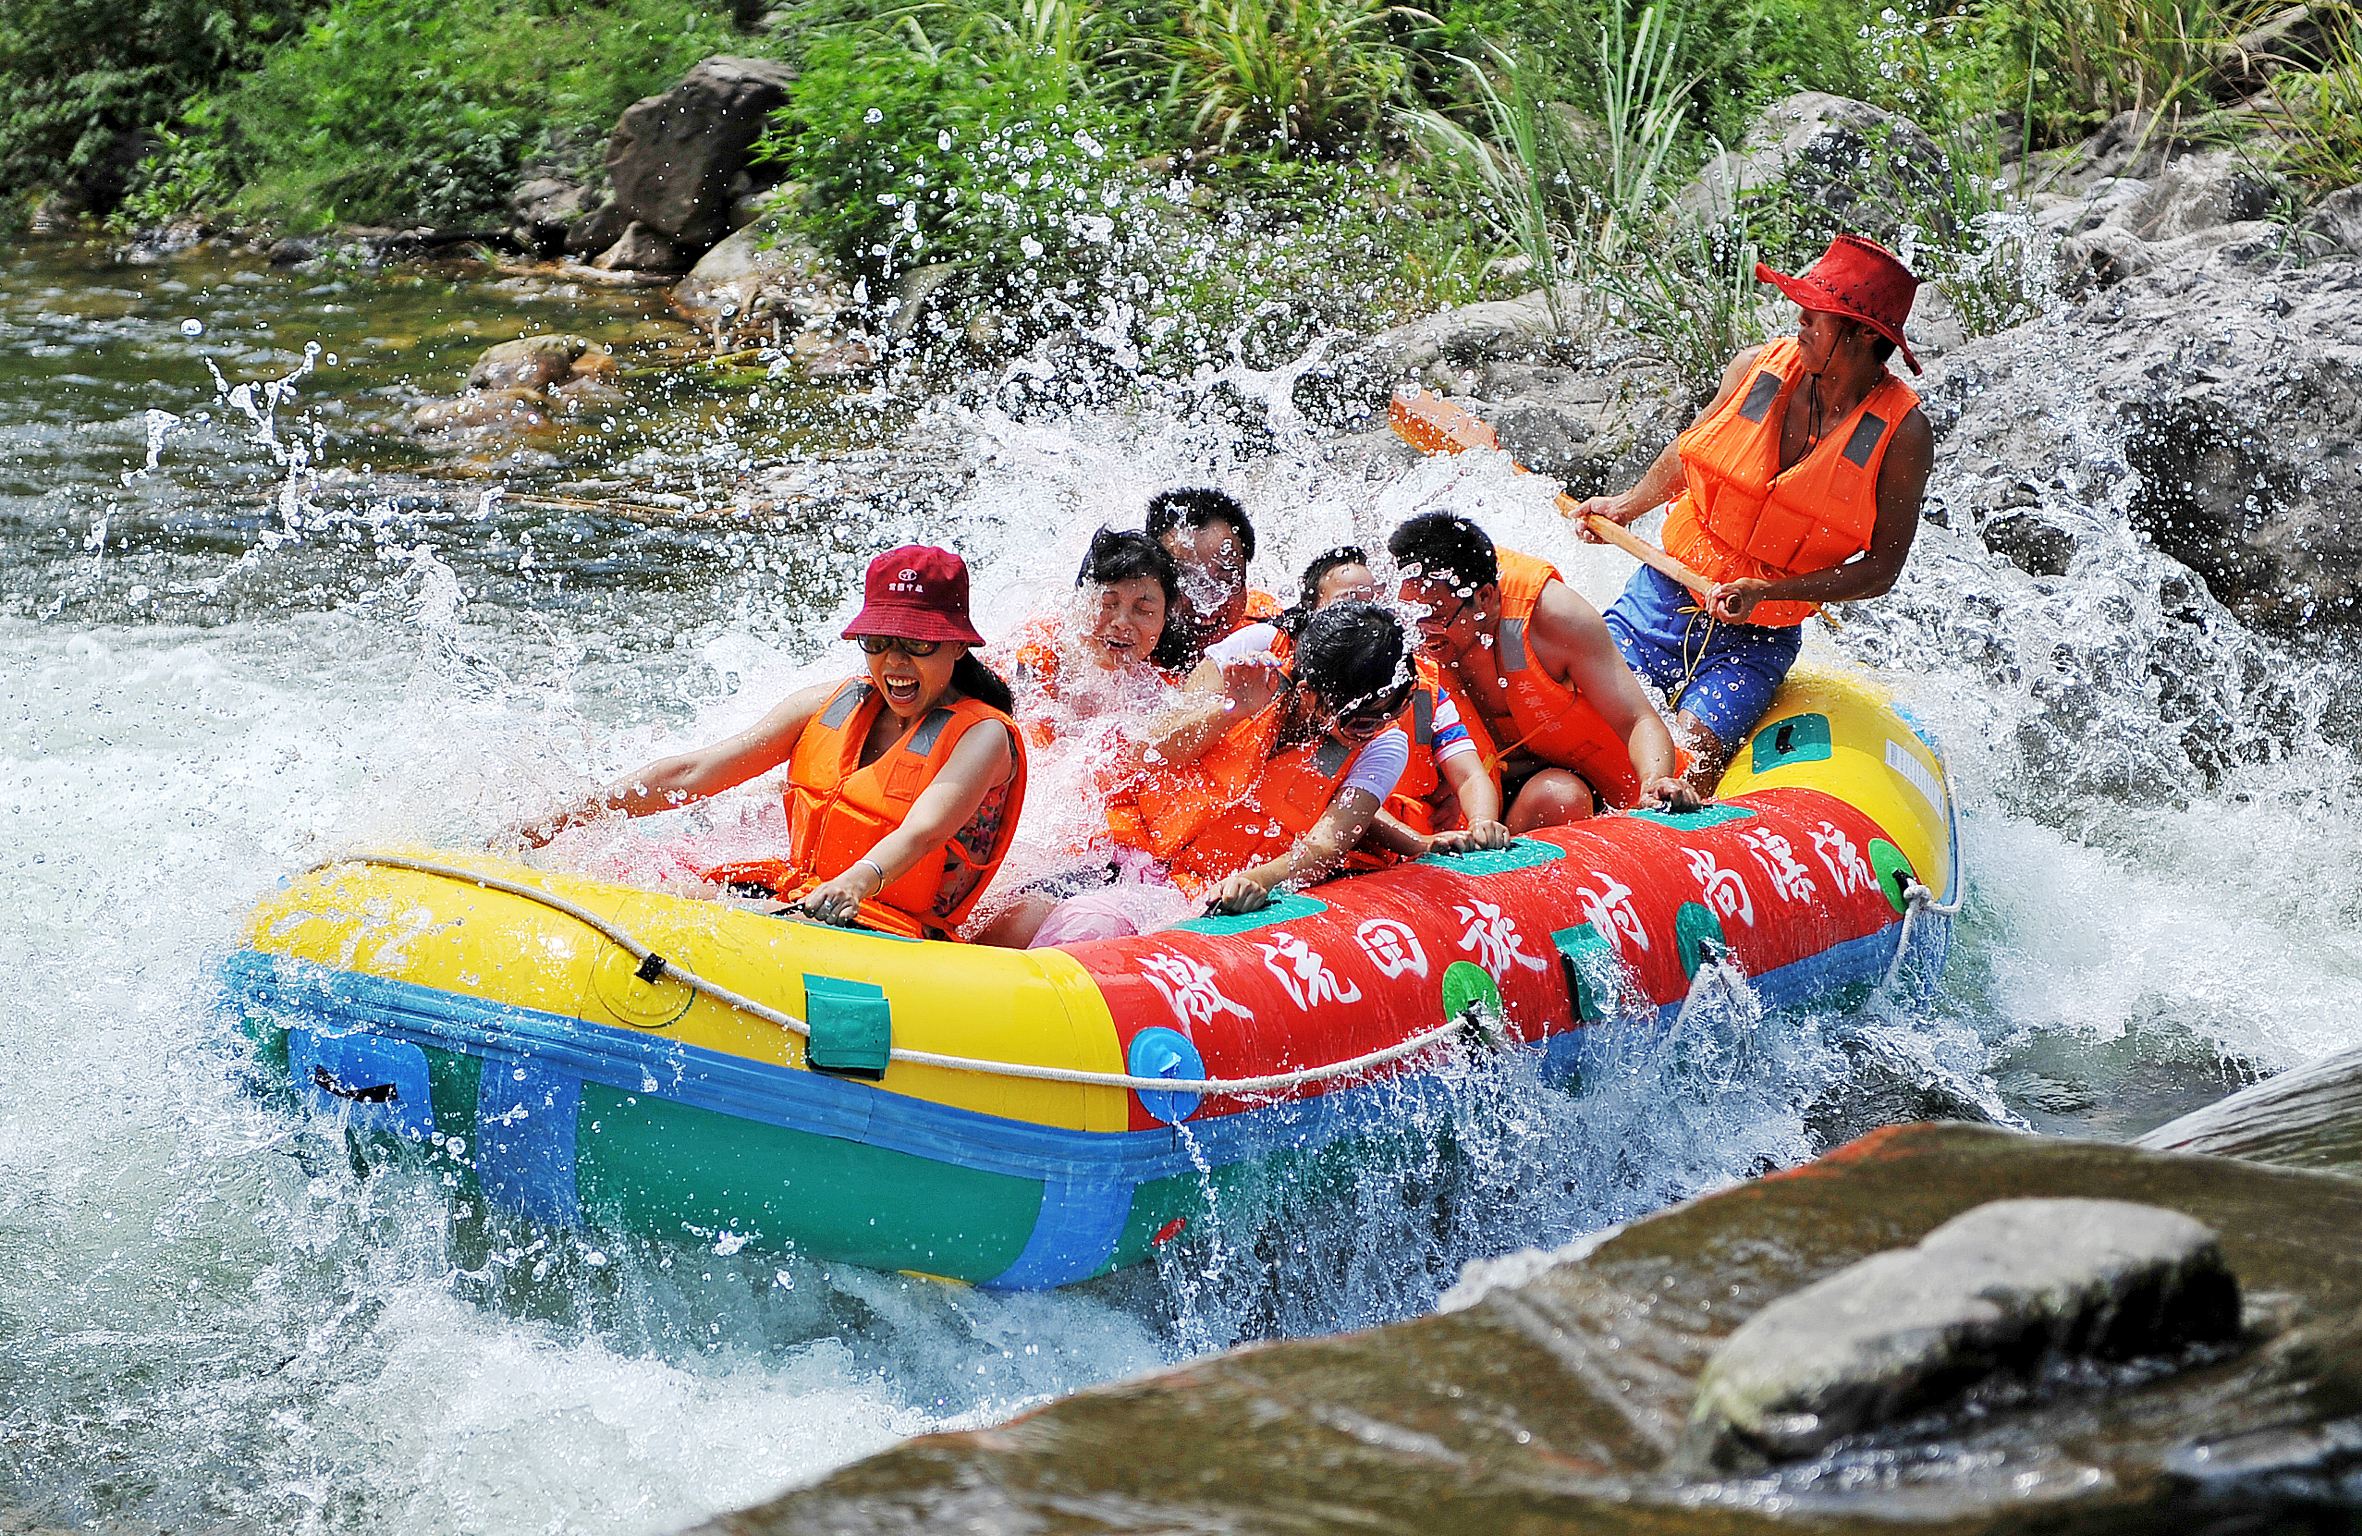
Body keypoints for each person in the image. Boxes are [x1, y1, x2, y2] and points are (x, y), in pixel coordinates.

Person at [515, 545, 1026, 942]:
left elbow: (924, 830)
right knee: (655, 898)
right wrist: (557, 820)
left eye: (918, 645)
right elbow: (694, 773)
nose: (895, 662)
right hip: (803, 898)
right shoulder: (827, 705)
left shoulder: (983, 736)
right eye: (878, 642)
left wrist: (856, 881)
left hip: (887, 928)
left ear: (959, 644)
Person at [1573, 234, 1935, 788]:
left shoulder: (1903, 434)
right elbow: (1692, 449)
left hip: (1757, 637)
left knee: (1684, 771)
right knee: (1586, 731)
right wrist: (1625, 505)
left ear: (1864, 334)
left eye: (1816, 316)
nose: (1800, 323)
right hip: (1664, 594)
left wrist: (1769, 594)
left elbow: (1882, 570)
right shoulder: (1756, 369)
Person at [1030, 600, 1419, 942]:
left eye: (1391, 713)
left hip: (1191, 894)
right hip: (1120, 845)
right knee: (1018, 919)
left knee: (1087, 927)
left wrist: (1256, 881)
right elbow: (1150, 750)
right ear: (1310, 694)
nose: (1377, 729)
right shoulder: (1254, 653)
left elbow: (1325, 847)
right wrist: (1231, 710)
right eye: (1363, 722)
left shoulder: (1384, 745)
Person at [1388, 512, 1697, 830]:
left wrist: (1655, 780)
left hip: (1567, 788)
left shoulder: (1552, 618)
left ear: (1484, 597)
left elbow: (1637, 719)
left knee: (1560, 797)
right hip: (1472, 790)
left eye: (1434, 615)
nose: (1422, 632)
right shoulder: (1399, 635)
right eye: (1412, 613)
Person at [1209, 545, 1508, 861]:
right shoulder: (1273, 670)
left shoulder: (1412, 687)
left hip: (1367, 848)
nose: (1364, 617)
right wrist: (1231, 710)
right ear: (1311, 609)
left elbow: (1470, 774)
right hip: (1303, 844)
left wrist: (1480, 825)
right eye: (1349, 604)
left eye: (1374, 604)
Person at [1006, 526, 1187, 744]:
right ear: (1079, 602)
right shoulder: (1038, 656)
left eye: (1143, 610)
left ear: (1164, 620)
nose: (1121, 623)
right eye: (1107, 603)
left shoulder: (1166, 688)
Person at [1145, 486, 1282, 669]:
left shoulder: (1269, 623)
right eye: (1188, 582)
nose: (1208, 604)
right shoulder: (1129, 638)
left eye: (1225, 579)